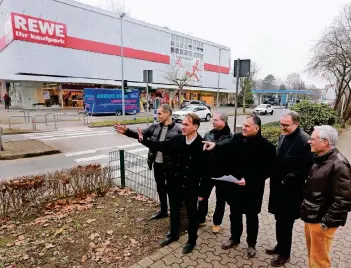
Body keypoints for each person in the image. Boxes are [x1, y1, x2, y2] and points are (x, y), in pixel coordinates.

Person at [203, 115, 276, 258]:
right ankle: (235, 238)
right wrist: (215, 146)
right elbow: (226, 149)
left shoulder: (267, 147)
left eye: (247, 126)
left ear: (257, 128)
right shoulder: (237, 138)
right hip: (234, 185)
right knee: (234, 213)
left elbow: (267, 170)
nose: (243, 127)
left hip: (253, 188)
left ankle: (251, 244)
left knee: (251, 216)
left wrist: (249, 180)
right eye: (243, 125)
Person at [137, 113, 205, 254]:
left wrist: (203, 192)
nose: (183, 127)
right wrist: (141, 138)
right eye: (183, 123)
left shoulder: (202, 145)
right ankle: (174, 234)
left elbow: (207, 172)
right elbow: (159, 145)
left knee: (193, 215)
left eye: (186, 124)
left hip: (191, 187)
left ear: (195, 127)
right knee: (174, 211)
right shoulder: (178, 140)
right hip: (175, 183)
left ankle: (192, 240)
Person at [115, 104, 181, 220]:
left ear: (168, 114)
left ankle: (175, 213)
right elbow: (140, 135)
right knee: (160, 187)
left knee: (171, 190)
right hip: (157, 164)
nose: (157, 116)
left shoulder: (178, 129)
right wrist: (127, 131)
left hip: (171, 166)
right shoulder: (155, 127)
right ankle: (163, 210)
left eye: (160, 113)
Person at [267, 111, 313, 267]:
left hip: (291, 191)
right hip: (278, 188)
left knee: (286, 223)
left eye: (286, 125)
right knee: (279, 220)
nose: (283, 128)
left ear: (296, 124)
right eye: (281, 124)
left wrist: (286, 178)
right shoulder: (282, 136)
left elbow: (306, 169)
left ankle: (284, 254)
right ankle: (280, 245)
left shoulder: (305, 141)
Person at [301, 125, 351, 268]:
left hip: (321, 222)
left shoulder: (339, 164)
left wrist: (326, 223)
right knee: (313, 255)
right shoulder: (321, 159)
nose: (309, 141)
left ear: (325, 142)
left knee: (320, 261)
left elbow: (344, 200)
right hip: (312, 217)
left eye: (313, 139)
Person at [197, 111, 232, 233]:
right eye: (213, 120)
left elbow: (226, 147)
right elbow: (203, 150)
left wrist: (215, 146)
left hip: (222, 174)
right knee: (202, 196)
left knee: (220, 199)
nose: (213, 122)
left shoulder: (230, 137)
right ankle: (201, 218)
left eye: (215, 120)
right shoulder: (208, 134)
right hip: (207, 172)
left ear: (223, 121)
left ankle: (217, 223)